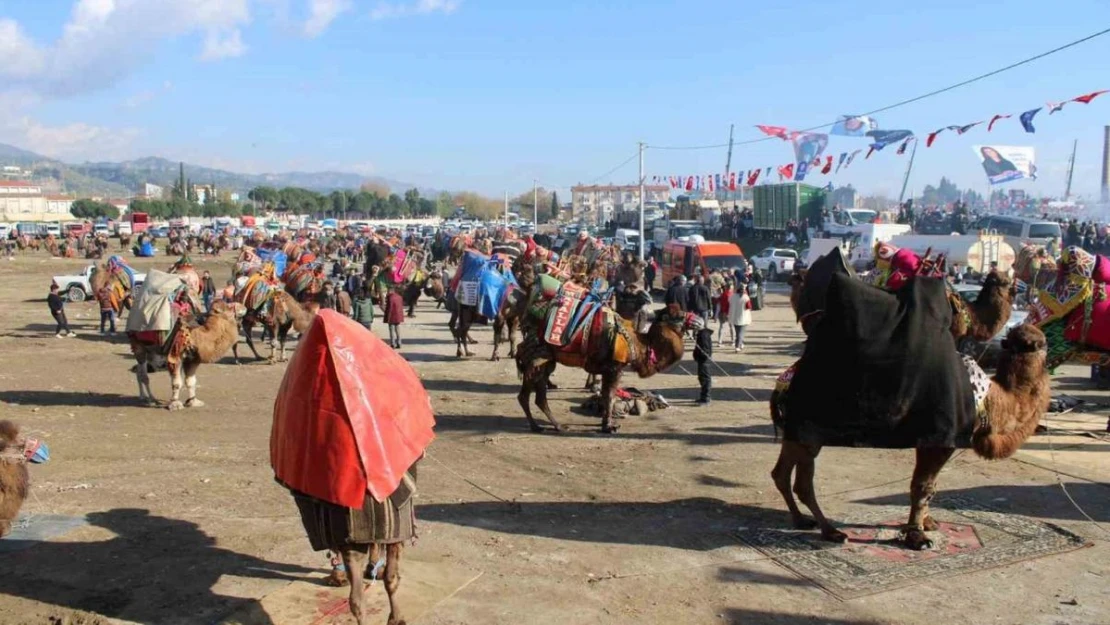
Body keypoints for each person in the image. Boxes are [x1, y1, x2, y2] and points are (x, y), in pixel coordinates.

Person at [694, 321, 713, 405]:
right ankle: (703, 397)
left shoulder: (703, 335)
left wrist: (701, 355)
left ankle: (706, 398)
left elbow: (706, 349)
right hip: (701, 360)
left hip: (704, 360)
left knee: (705, 379)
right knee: (701, 378)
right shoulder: (701, 333)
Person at [728, 282, 752, 352]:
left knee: (738, 332)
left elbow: (729, 303)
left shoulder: (732, 296)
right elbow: (749, 307)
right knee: (740, 333)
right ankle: (737, 345)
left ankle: (740, 343)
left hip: (735, 317)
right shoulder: (746, 297)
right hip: (743, 317)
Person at [717, 280, 734, 347]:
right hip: (729, 312)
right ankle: (733, 341)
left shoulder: (723, 294)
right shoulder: (732, 294)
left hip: (722, 312)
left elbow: (719, 301)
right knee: (731, 327)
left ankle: (719, 341)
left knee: (721, 327)